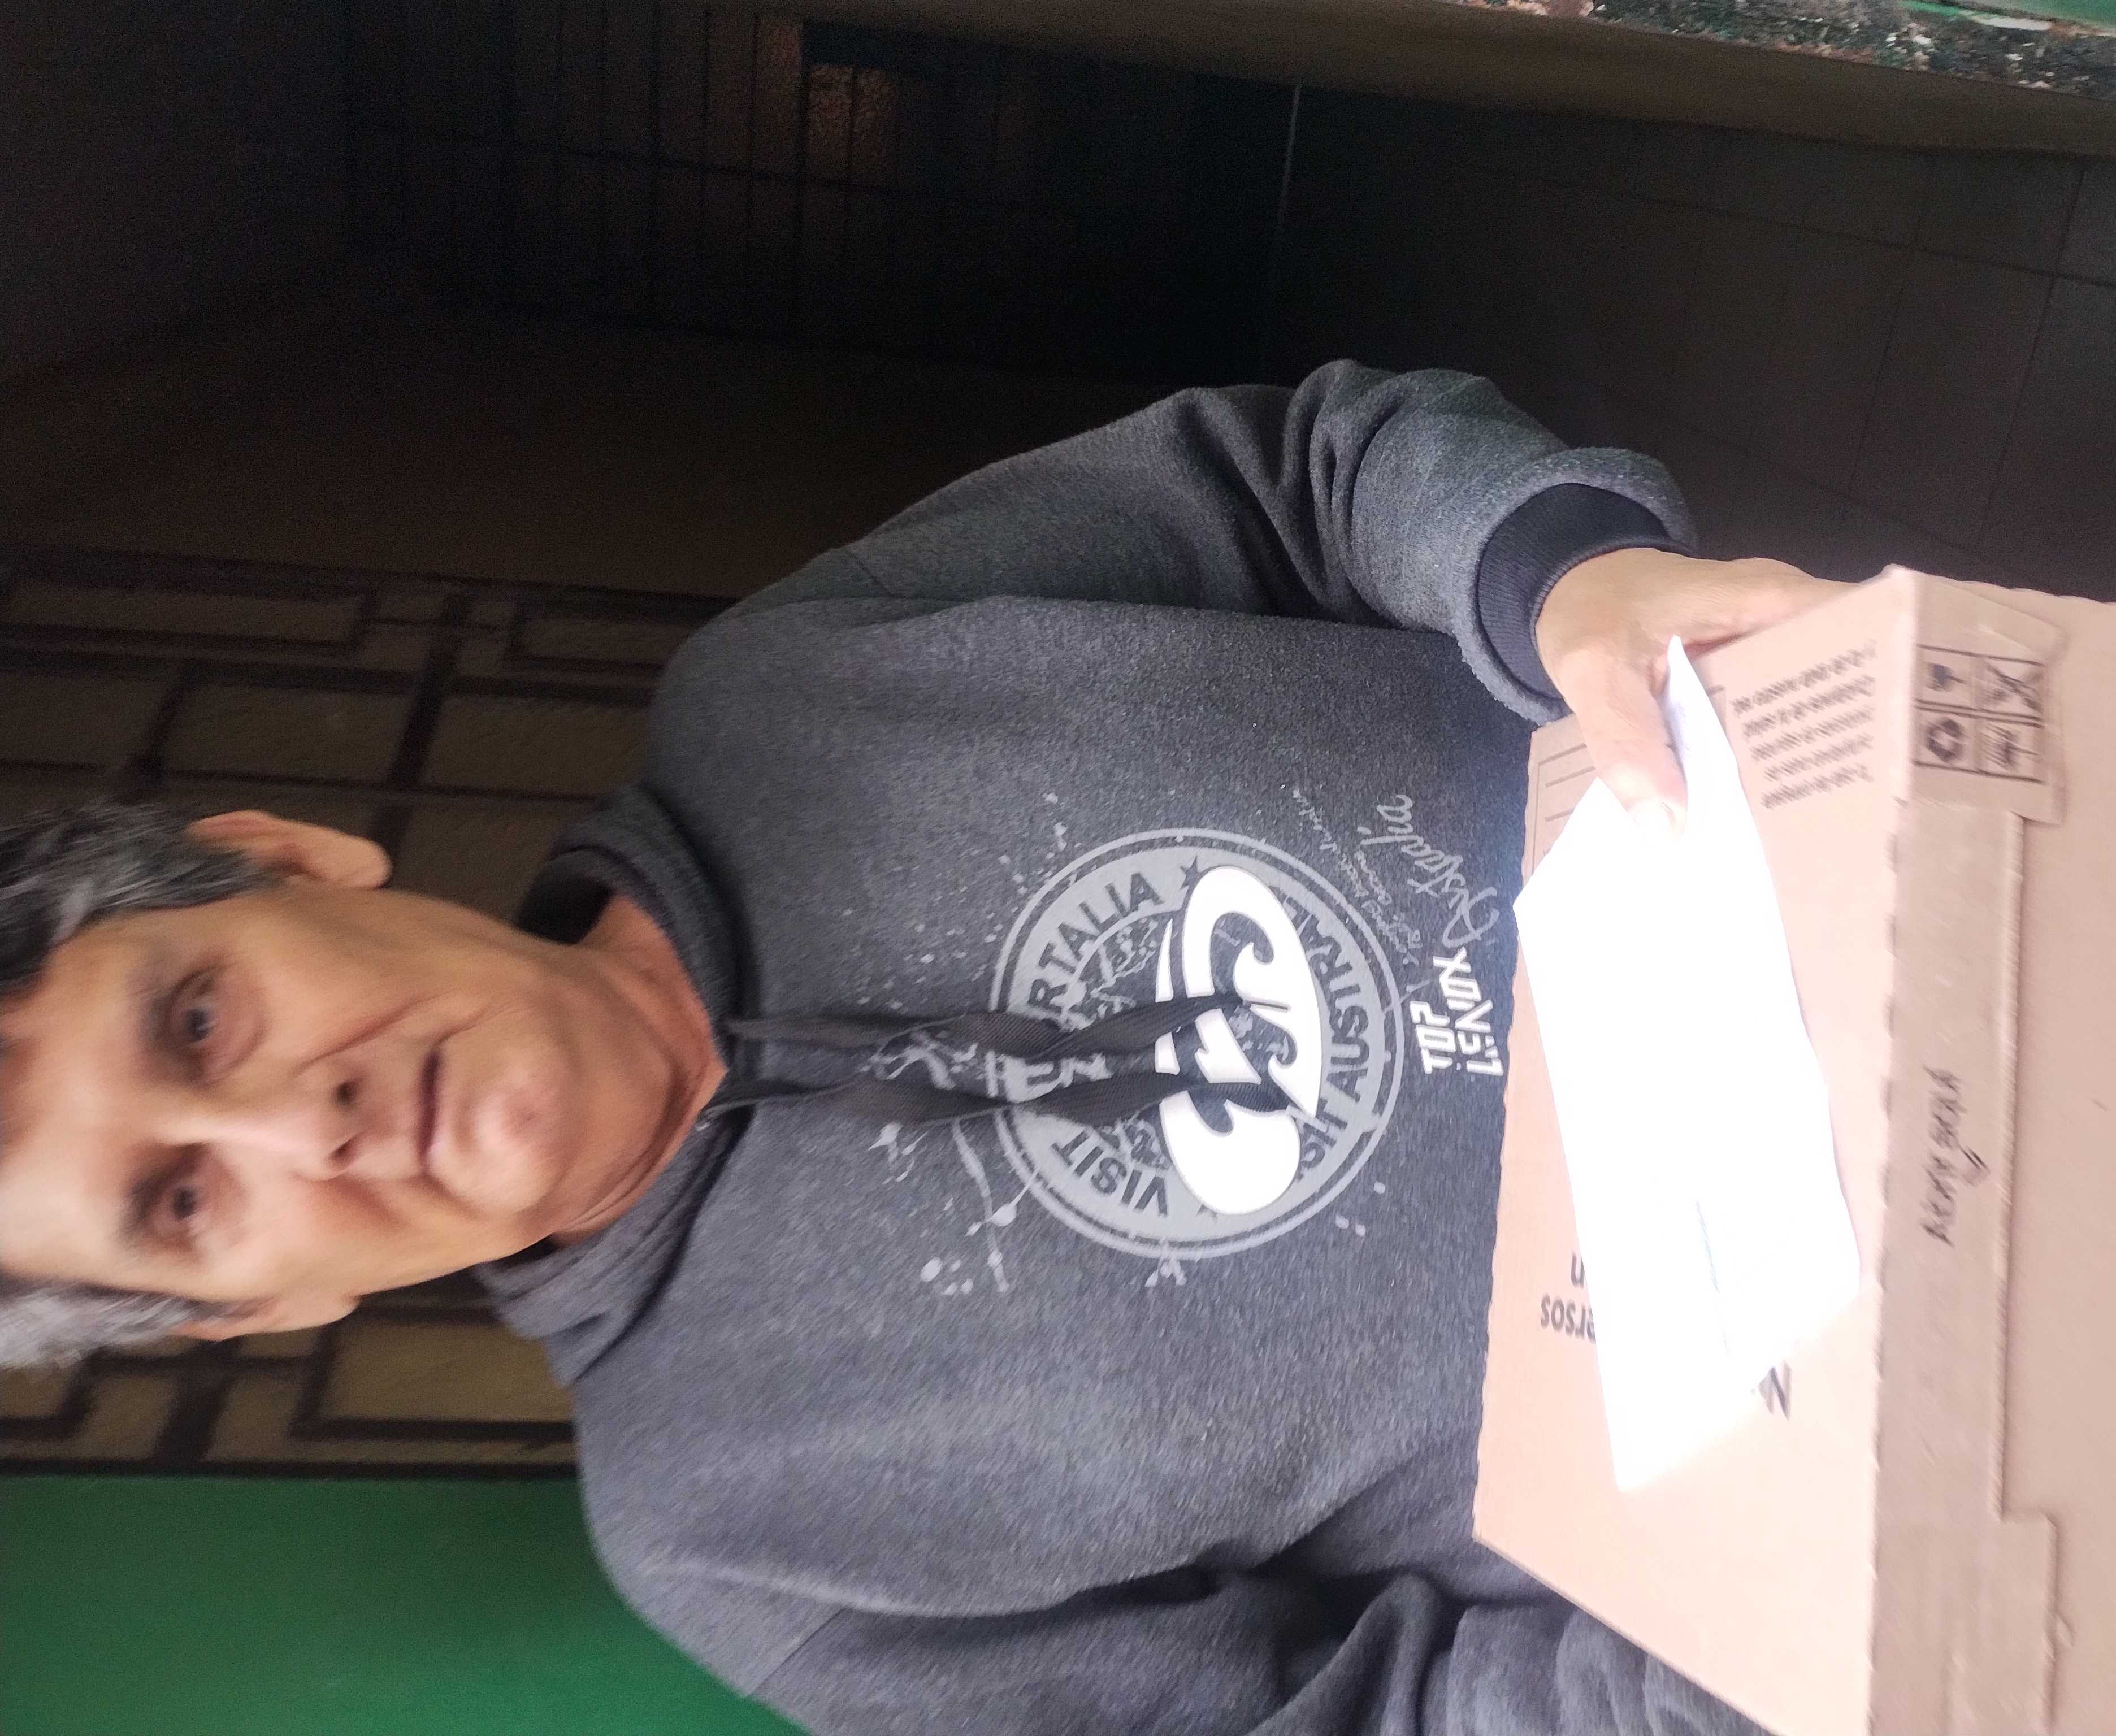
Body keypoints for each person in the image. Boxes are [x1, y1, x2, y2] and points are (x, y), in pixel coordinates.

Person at [0, 364, 1831, 1735]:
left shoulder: (792, 681)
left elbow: (1298, 478)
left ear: (282, 860)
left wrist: (1559, 580)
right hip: (1876, 1452)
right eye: (181, 1203)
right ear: (262, 1310)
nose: (294, 1124)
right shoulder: (736, 1534)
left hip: (1890, 858)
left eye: (198, 1019)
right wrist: (1789, 1662)